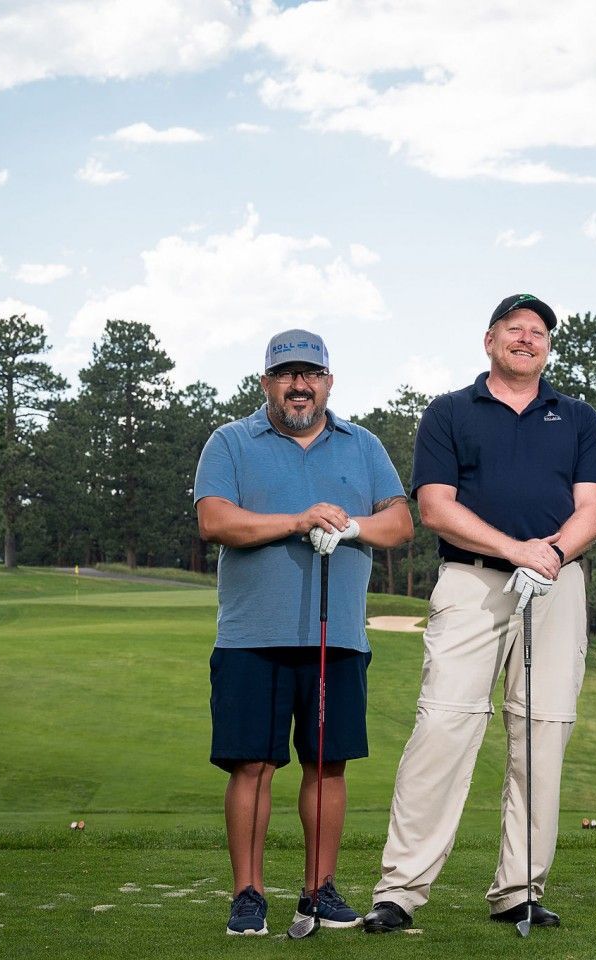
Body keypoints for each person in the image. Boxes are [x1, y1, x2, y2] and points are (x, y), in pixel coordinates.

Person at [363, 294, 596, 933]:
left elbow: (593, 509)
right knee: (444, 726)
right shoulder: (449, 411)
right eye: (514, 329)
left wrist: (551, 554)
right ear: (489, 340)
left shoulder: (578, 418)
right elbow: (436, 508)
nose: (526, 339)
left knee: (541, 734)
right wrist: (516, 550)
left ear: (547, 347)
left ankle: (519, 890)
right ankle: (401, 890)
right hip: (472, 582)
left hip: (556, 584)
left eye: (538, 332)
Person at [194, 329, 413, 935]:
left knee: (327, 765)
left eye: (311, 374)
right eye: (287, 374)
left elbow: (400, 523)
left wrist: (351, 528)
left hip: (336, 638)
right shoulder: (231, 441)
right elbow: (215, 520)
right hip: (251, 637)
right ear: (266, 382)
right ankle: (248, 894)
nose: (300, 385)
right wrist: (298, 520)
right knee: (252, 766)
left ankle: (319, 890)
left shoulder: (363, 444)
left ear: (328, 382)